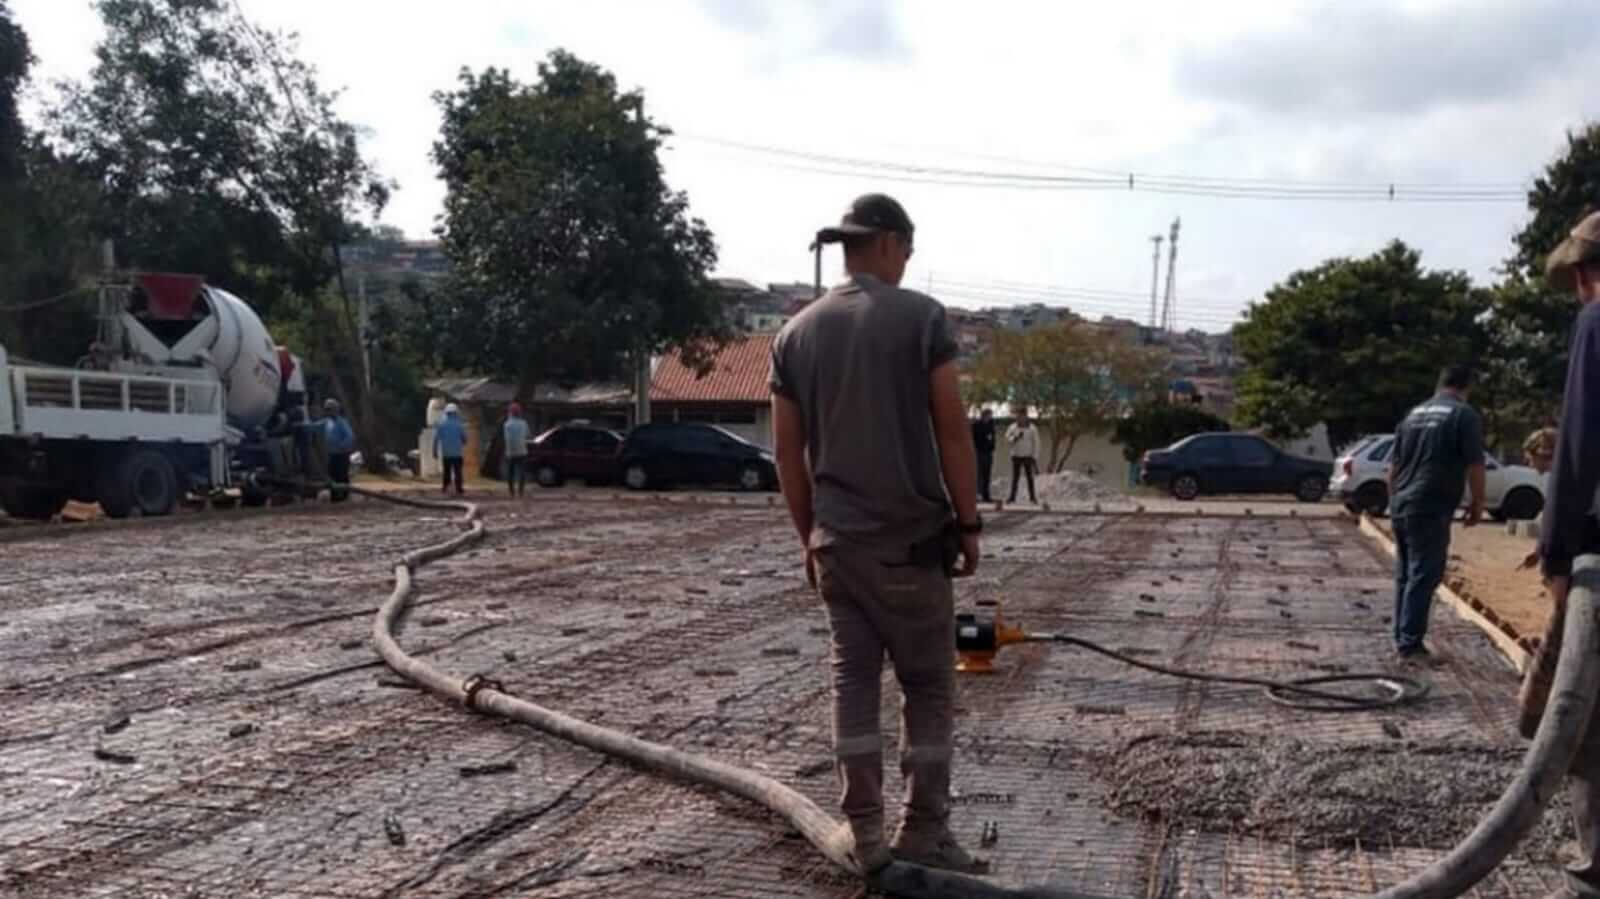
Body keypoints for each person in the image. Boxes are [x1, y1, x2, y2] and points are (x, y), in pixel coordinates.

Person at [769, 193, 985, 875]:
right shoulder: (922, 318)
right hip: (911, 545)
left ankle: (863, 834)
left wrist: (809, 537)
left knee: (854, 685)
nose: (907, 264)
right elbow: (952, 431)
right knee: (927, 687)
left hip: (838, 544)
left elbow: (787, 453)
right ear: (890, 243)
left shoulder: (795, 334)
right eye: (908, 252)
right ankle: (923, 830)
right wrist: (969, 522)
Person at [1525, 209, 1600, 898]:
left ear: (1582, 275)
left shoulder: (1596, 321)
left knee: (1587, 719)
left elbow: (1577, 449)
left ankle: (1594, 868)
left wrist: (1555, 553)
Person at [1387, 365, 1487, 659]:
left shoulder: (1412, 415)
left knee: (1406, 574)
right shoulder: (1463, 415)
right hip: (1430, 504)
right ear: (1466, 387)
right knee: (1424, 574)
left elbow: (1393, 467)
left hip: (1402, 502)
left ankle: (1402, 637)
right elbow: (1475, 464)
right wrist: (1478, 503)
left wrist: (1394, 502)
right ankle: (1410, 644)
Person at [321, 398, 355, 502]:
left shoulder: (341, 422)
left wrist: (341, 446)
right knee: (332, 475)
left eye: (330, 409)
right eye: (326, 409)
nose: (328, 412)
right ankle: (334, 497)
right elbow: (316, 426)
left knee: (342, 475)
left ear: (336, 410)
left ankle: (344, 497)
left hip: (342, 455)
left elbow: (350, 436)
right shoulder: (327, 422)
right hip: (332, 454)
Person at [1005, 411, 1039, 505]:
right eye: (1019, 417)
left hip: (1028, 456)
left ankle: (1032, 497)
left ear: (1026, 417)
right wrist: (1014, 437)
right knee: (1015, 477)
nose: (1021, 419)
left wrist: (1034, 456)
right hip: (1016, 455)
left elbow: (1036, 443)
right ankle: (1012, 497)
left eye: (1023, 417)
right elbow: (1007, 438)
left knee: (1029, 478)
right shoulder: (1012, 427)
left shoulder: (1032, 428)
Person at [433, 403, 467, 496]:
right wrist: (462, 442)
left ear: (446, 413)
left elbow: (436, 439)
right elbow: (464, 438)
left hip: (446, 453)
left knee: (446, 471)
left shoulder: (442, 424)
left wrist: (434, 451)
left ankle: (445, 487)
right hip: (457, 453)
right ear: (456, 413)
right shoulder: (459, 425)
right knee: (458, 472)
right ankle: (459, 488)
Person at [503, 403, 530, 497]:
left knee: (510, 472)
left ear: (510, 413)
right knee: (522, 472)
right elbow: (527, 435)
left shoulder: (507, 424)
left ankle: (511, 492)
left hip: (511, 451)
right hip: (522, 450)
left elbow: (506, 438)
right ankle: (521, 491)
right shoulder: (524, 423)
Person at [971, 408, 996, 503]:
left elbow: (993, 437)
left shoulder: (991, 425)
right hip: (979, 452)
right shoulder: (976, 425)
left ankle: (986, 495)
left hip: (988, 452)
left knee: (987, 475)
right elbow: (973, 438)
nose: (989, 418)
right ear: (983, 416)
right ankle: (977, 495)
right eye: (988, 416)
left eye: (990, 416)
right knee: (978, 475)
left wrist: (992, 447)